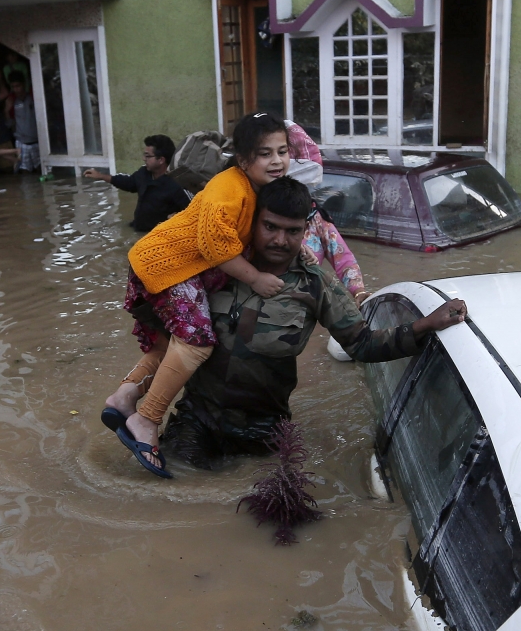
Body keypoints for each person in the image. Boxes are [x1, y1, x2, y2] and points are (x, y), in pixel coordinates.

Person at [161, 176, 467, 467]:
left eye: (292, 231)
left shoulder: (317, 286)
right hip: (197, 418)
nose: (280, 240)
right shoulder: (218, 266)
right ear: (254, 220)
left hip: (264, 429)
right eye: (270, 227)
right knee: (178, 482)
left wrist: (425, 325)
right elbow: (160, 315)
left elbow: (361, 345)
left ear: (306, 230)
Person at [102, 111, 295, 478]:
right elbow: (215, 246)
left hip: (162, 263)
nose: (277, 161)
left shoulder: (252, 189)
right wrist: (254, 278)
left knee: (168, 347)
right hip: (168, 265)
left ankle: (123, 398)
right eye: (265, 154)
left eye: (282, 151)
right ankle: (146, 420)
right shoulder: (229, 189)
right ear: (243, 159)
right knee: (196, 343)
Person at [84, 135, 192, 231]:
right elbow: (129, 183)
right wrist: (101, 176)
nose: (143, 159)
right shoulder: (144, 173)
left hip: (158, 236)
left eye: (148, 156)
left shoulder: (177, 183)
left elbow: (192, 211)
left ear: (161, 160)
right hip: (138, 229)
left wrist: (177, 217)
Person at [5, 76, 40, 173]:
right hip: (21, 141)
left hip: (37, 140)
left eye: (18, 86)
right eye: (13, 86)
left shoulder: (33, 98)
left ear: (24, 85)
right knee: (24, 171)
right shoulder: (12, 102)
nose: (16, 89)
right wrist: (7, 111)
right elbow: (9, 123)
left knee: (41, 168)